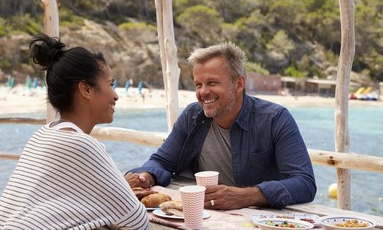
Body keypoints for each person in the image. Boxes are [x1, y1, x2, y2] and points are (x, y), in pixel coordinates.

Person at [0, 34, 149, 230]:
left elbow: (60, 197)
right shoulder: (83, 145)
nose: (115, 95)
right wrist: (116, 197)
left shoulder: (44, 134)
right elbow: (137, 223)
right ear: (86, 89)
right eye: (110, 84)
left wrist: (116, 192)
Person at [126, 42, 316, 210]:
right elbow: (162, 161)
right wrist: (146, 176)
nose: (203, 92)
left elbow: (304, 183)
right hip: (203, 217)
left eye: (212, 83)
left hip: (263, 224)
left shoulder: (275, 119)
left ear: (239, 84)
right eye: (198, 84)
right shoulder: (193, 116)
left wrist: (245, 196)